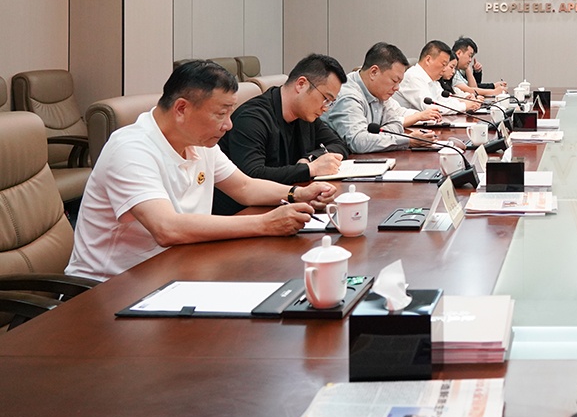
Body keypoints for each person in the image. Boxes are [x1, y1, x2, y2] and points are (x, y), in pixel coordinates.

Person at [66, 60, 336, 281]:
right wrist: (265, 224)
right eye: (221, 114)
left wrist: (296, 194)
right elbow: (166, 228)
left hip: (178, 266)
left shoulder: (200, 142)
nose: (229, 125)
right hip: (112, 286)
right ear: (181, 108)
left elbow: (244, 187)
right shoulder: (130, 148)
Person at [215, 53, 350, 216]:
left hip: (284, 203)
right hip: (243, 214)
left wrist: (309, 159)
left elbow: (339, 145)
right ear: (301, 84)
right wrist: (309, 169)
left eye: (330, 103)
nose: (325, 108)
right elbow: (252, 176)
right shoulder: (252, 118)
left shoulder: (306, 115)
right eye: (325, 99)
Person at [325, 42, 440, 152]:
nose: (397, 88)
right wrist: (407, 140)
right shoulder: (348, 96)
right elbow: (359, 142)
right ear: (374, 72)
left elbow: (396, 124)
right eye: (394, 81)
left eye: (399, 82)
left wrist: (373, 137)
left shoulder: (379, 92)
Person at [397, 39, 481, 114]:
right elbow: (432, 107)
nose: (444, 69)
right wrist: (464, 106)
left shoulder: (432, 80)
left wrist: (466, 101)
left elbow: (443, 100)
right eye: (443, 64)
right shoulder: (413, 77)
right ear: (428, 60)